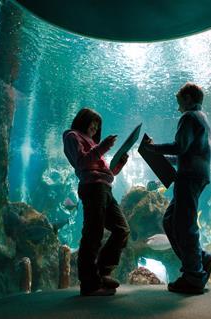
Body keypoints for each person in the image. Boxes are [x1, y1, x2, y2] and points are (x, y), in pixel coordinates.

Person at [144, 82, 211, 294]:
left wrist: (153, 149)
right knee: (170, 220)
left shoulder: (189, 117)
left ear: (188, 99)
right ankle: (200, 260)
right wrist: (162, 156)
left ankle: (193, 276)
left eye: (179, 102)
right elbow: (186, 153)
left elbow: (180, 146)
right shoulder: (203, 119)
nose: (178, 108)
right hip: (196, 175)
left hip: (189, 177)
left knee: (185, 225)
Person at [63, 108, 130, 296]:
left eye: (97, 125)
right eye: (92, 122)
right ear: (82, 121)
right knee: (93, 233)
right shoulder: (72, 136)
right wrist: (103, 147)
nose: (94, 127)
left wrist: (118, 165)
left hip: (104, 189)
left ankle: (102, 272)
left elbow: (105, 172)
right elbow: (81, 163)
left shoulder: (93, 144)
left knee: (121, 229)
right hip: (92, 188)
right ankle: (89, 283)